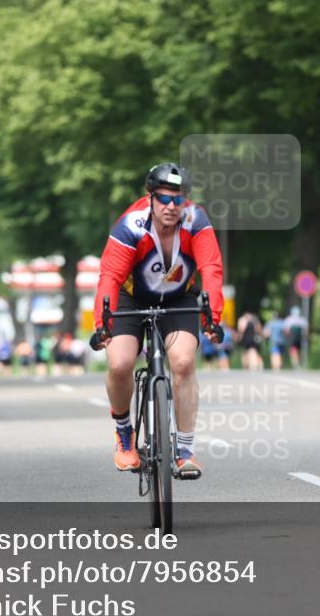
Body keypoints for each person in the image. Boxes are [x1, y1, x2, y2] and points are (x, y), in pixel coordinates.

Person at [90, 163, 224, 477]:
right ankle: (124, 433)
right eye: (164, 199)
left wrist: (213, 318)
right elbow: (109, 276)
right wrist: (102, 324)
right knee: (120, 363)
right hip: (131, 296)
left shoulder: (196, 220)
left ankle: (185, 450)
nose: (171, 207)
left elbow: (211, 269)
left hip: (179, 297)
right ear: (150, 197)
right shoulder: (131, 225)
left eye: (178, 200)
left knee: (183, 362)